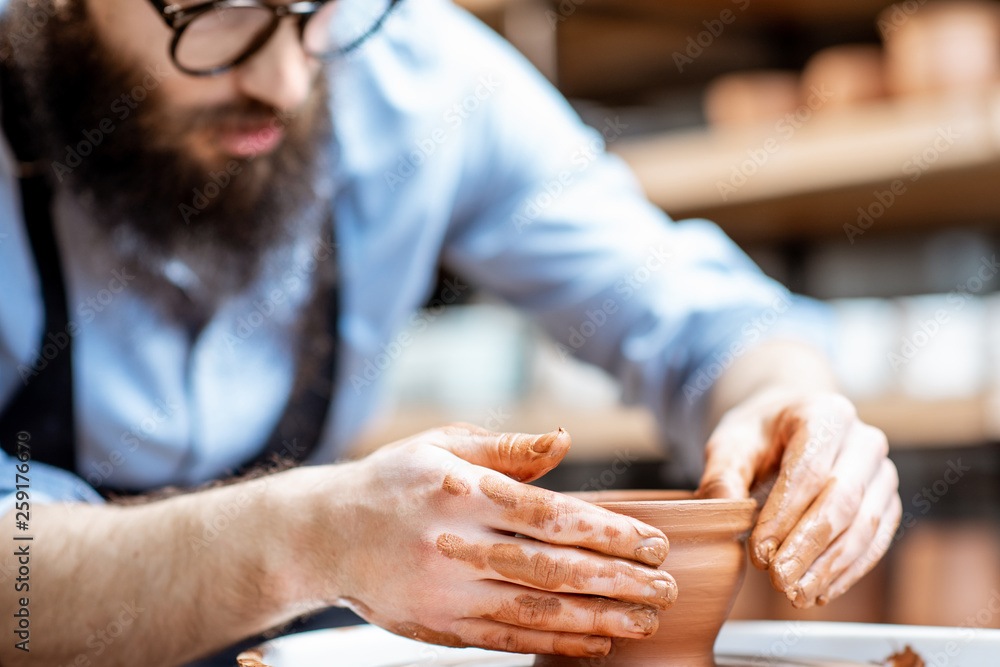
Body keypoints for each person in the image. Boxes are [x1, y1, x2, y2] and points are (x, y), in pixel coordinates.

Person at [0, 0, 901, 664]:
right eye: (218, 13)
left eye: (312, 9)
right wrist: (307, 538)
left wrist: (785, 395)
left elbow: (685, 313)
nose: (285, 79)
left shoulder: (409, 71)